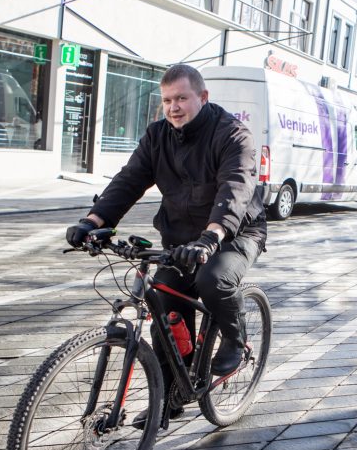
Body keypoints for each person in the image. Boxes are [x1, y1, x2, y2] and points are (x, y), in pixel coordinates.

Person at [65, 64, 267, 425]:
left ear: (202, 98)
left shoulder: (233, 135)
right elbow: (129, 181)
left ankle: (235, 343)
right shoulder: (157, 136)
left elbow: (235, 187)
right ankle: (169, 399)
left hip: (233, 234)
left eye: (182, 98)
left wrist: (212, 236)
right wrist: (93, 222)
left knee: (212, 280)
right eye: (167, 100)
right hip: (180, 239)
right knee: (165, 305)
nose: (174, 107)